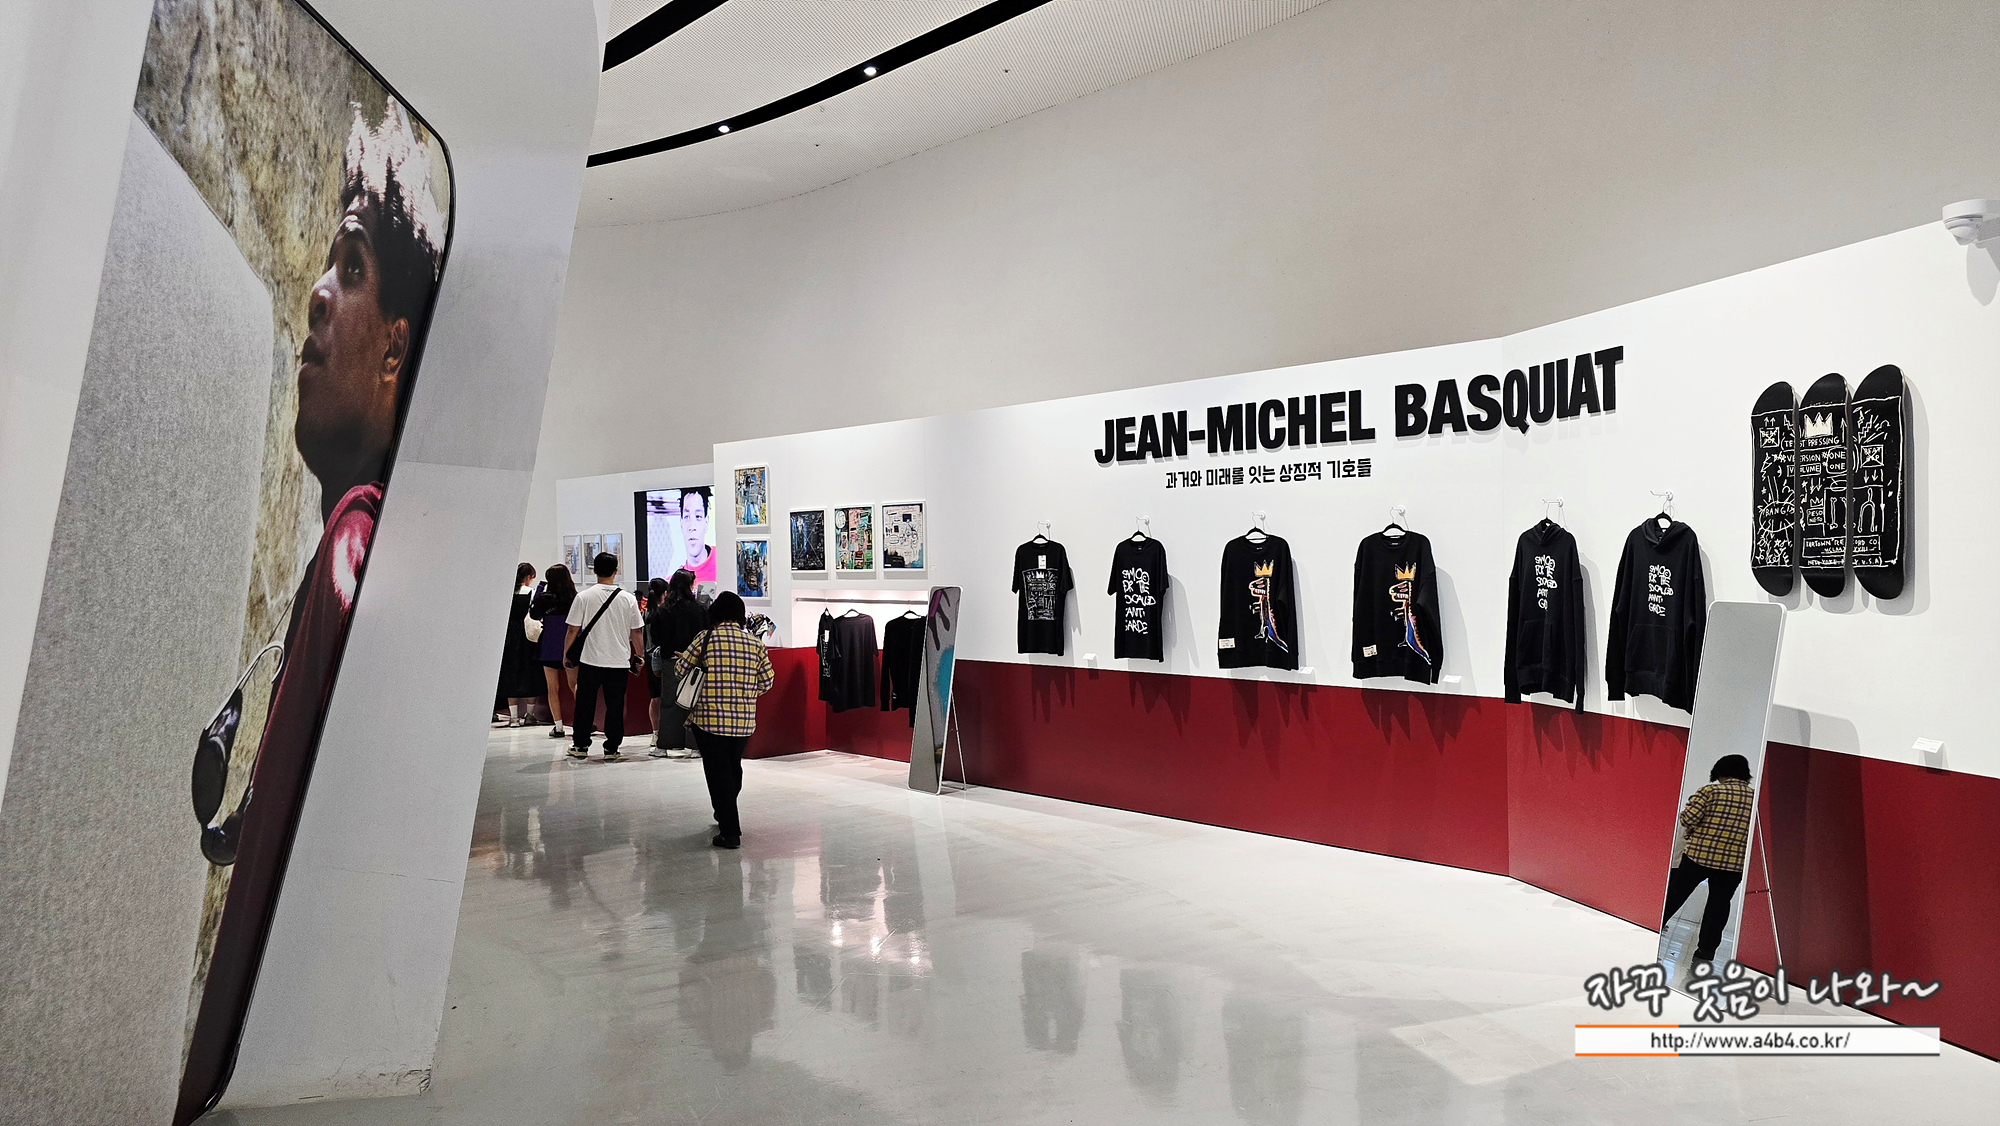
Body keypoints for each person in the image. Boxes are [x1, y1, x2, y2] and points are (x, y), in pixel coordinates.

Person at [183, 101, 450, 1104]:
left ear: (394, 351)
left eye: (350, 267)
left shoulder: (352, 552)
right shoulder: (365, 545)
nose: (315, 295)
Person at [675, 592, 774, 849]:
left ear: (715, 613)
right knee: (732, 768)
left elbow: (680, 671)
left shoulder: (705, 638)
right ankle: (724, 810)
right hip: (743, 720)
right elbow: (767, 681)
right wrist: (745, 693)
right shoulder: (754, 643)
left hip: (708, 719)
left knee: (717, 772)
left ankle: (730, 831)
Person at [1661, 754, 1757, 965]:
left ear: (1720, 772)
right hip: (1733, 864)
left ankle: (1655, 925)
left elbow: (1688, 819)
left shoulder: (1710, 791)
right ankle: (1706, 951)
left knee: (1676, 894)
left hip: (1699, 856)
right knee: (1719, 905)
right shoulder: (1754, 798)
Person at [565, 552, 644, 760]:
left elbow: (572, 630)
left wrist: (566, 654)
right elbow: (636, 631)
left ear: (595, 571)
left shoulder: (583, 597)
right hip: (619, 661)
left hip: (590, 660)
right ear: (616, 572)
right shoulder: (628, 599)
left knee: (584, 704)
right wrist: (640, 655)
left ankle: (580, 745)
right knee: (615, 706)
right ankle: (612, 748)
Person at [649, 568, 708, 759]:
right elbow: (705, 635)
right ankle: (696, 746)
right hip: (695, 662)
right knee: (694, 702)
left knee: (669, 703)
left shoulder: (663, 610)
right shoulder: (699, 609)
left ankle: (664, 745)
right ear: (691, 585)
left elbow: (656, 637)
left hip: (671, 661)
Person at [496, 563, 545, 726]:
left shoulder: (507, 593)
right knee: (530, 673)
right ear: (529, 577)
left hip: (509, 635)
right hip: (526, 636)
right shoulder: (531, 592)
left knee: (510, 674)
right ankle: (529, 714)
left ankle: (513, 717)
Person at [533, 563, 578, 739]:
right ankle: (584, 721)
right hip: (570, 645)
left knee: (552, 688)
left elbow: (534, 615)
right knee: (575, 685)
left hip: (549, 645)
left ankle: (558, 726)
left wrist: (539, 588)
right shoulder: (574, 597)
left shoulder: (545, 598)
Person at [680, 487, 717, 582]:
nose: (692, 527)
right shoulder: (672, 583)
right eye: (687, 517)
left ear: (706, 522)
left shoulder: (723, 558)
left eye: (698, 516)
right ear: (681, 524)